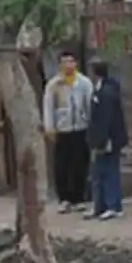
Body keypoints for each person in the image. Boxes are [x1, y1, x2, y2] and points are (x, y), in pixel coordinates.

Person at [43, 50, 94, 214]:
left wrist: (91, 124)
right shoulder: (54, 85)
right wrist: (50, 127)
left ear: (76, 63)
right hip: (62, 129)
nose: (68, 65)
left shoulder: (84, 83)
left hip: (80, 128)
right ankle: (64, 198)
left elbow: (90, 104)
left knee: (80, 164)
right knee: (62, 166)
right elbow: (48, 107)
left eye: (71, 61)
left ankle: (79, 198)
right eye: (64, 62)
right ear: (60, 65)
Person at [85, 59, 128, 220]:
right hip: (100, 138)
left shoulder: (107, 92)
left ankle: (113, 206)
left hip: (108, 139)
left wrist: (105, 139)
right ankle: (99, 205)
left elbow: (107, 119)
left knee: (109, 171)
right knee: (98, 172)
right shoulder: (100, 90)